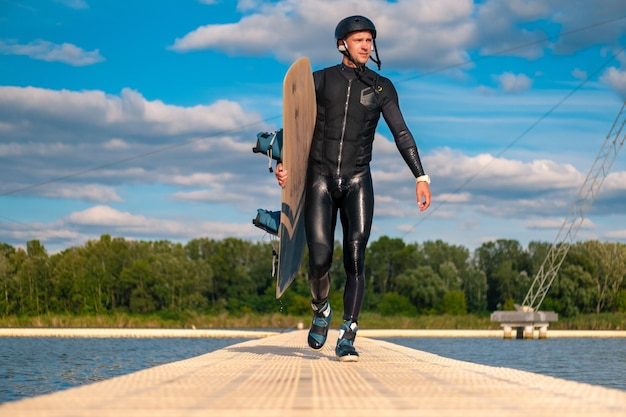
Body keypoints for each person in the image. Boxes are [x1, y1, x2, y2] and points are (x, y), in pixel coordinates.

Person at [275, 15, 431, 362]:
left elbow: (401, 133)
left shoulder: (381, 87)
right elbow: (294, 126)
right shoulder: (319, 81)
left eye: (370, 41)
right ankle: (320, 308)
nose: (366, 46)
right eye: (359, 40)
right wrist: (283, 163)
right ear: (341, 43)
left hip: (358, 179)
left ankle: (348, 332)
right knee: (319, 258)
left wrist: (421, 177)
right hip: (319, 177)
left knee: (356, 254)